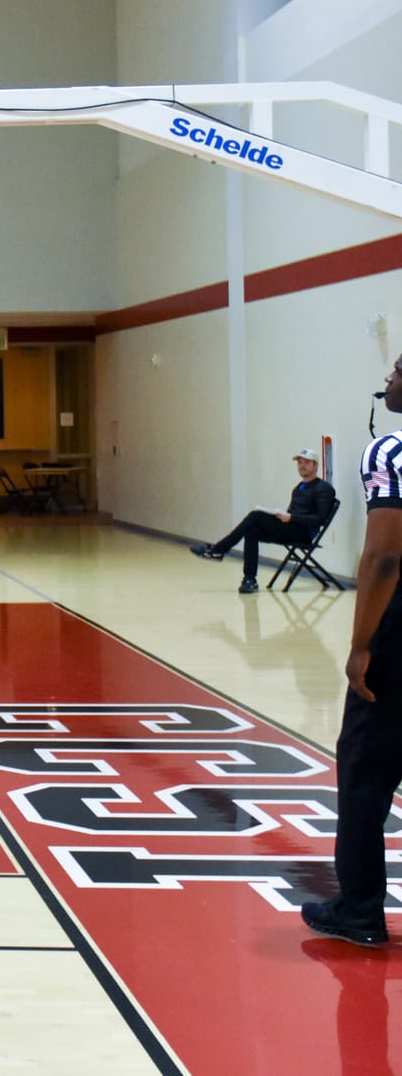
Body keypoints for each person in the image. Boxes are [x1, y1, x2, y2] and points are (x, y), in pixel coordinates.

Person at [302, 354, 402, 947]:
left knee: (365, 767)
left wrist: (361, 643)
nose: (386, 380)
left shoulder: (389, 452)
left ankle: (360, 908)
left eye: (395, 370)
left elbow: (385, 556)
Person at [190, 448, 338, 593]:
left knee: (255, 516)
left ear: (315, 465)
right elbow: (292, 515)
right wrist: (282, 516)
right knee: (252, 530)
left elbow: (319, 519)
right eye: (299, 463)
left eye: (306, 462)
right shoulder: (298, 488)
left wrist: (291, 517)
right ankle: (249, 580)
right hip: (291, 528)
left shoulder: (323, 488)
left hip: (304, 534)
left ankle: (218, 550)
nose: (302, 466)